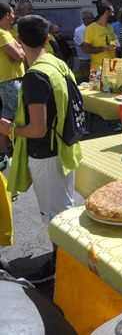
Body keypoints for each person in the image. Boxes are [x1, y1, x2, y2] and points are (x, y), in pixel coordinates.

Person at [1, 14, 83, 283]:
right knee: (64, 210)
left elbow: (37, 129)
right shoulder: (57, 64)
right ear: (48, 39)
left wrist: (8, 129)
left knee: (55, 216)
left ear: (19, 41)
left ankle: (61, 265)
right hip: (63, 148)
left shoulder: (35, 76)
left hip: (46, 153)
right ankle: (64, 259)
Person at [0, 3, 24, 165]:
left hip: (9, 80)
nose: (15, 16)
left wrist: (17, 50)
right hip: (9, 81)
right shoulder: (2, 33)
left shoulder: (6, 33)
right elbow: (20, 55)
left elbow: (18, 53)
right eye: (13, 13)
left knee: (7, 116)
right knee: (21, 116)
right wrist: (18, 50)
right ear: (7, 15)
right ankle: (21, 152)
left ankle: (3, 151)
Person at [82, 2, 117, 74]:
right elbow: (85, 49)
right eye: (112, 12)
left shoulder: (110, 28)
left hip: (112, 68)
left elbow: (113, 46)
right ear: (106, 13)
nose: (113, 15)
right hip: (98, 69)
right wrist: (105, 48)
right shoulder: (90, 29)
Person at [73, 10, 94, 83]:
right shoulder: (79, 30)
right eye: (89, 18)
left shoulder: (95, 29)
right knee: (85, 82)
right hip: (86, 61)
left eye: (92, 18)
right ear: (83, 19)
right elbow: (86, 46)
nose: (91, 20)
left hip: (96, 60)